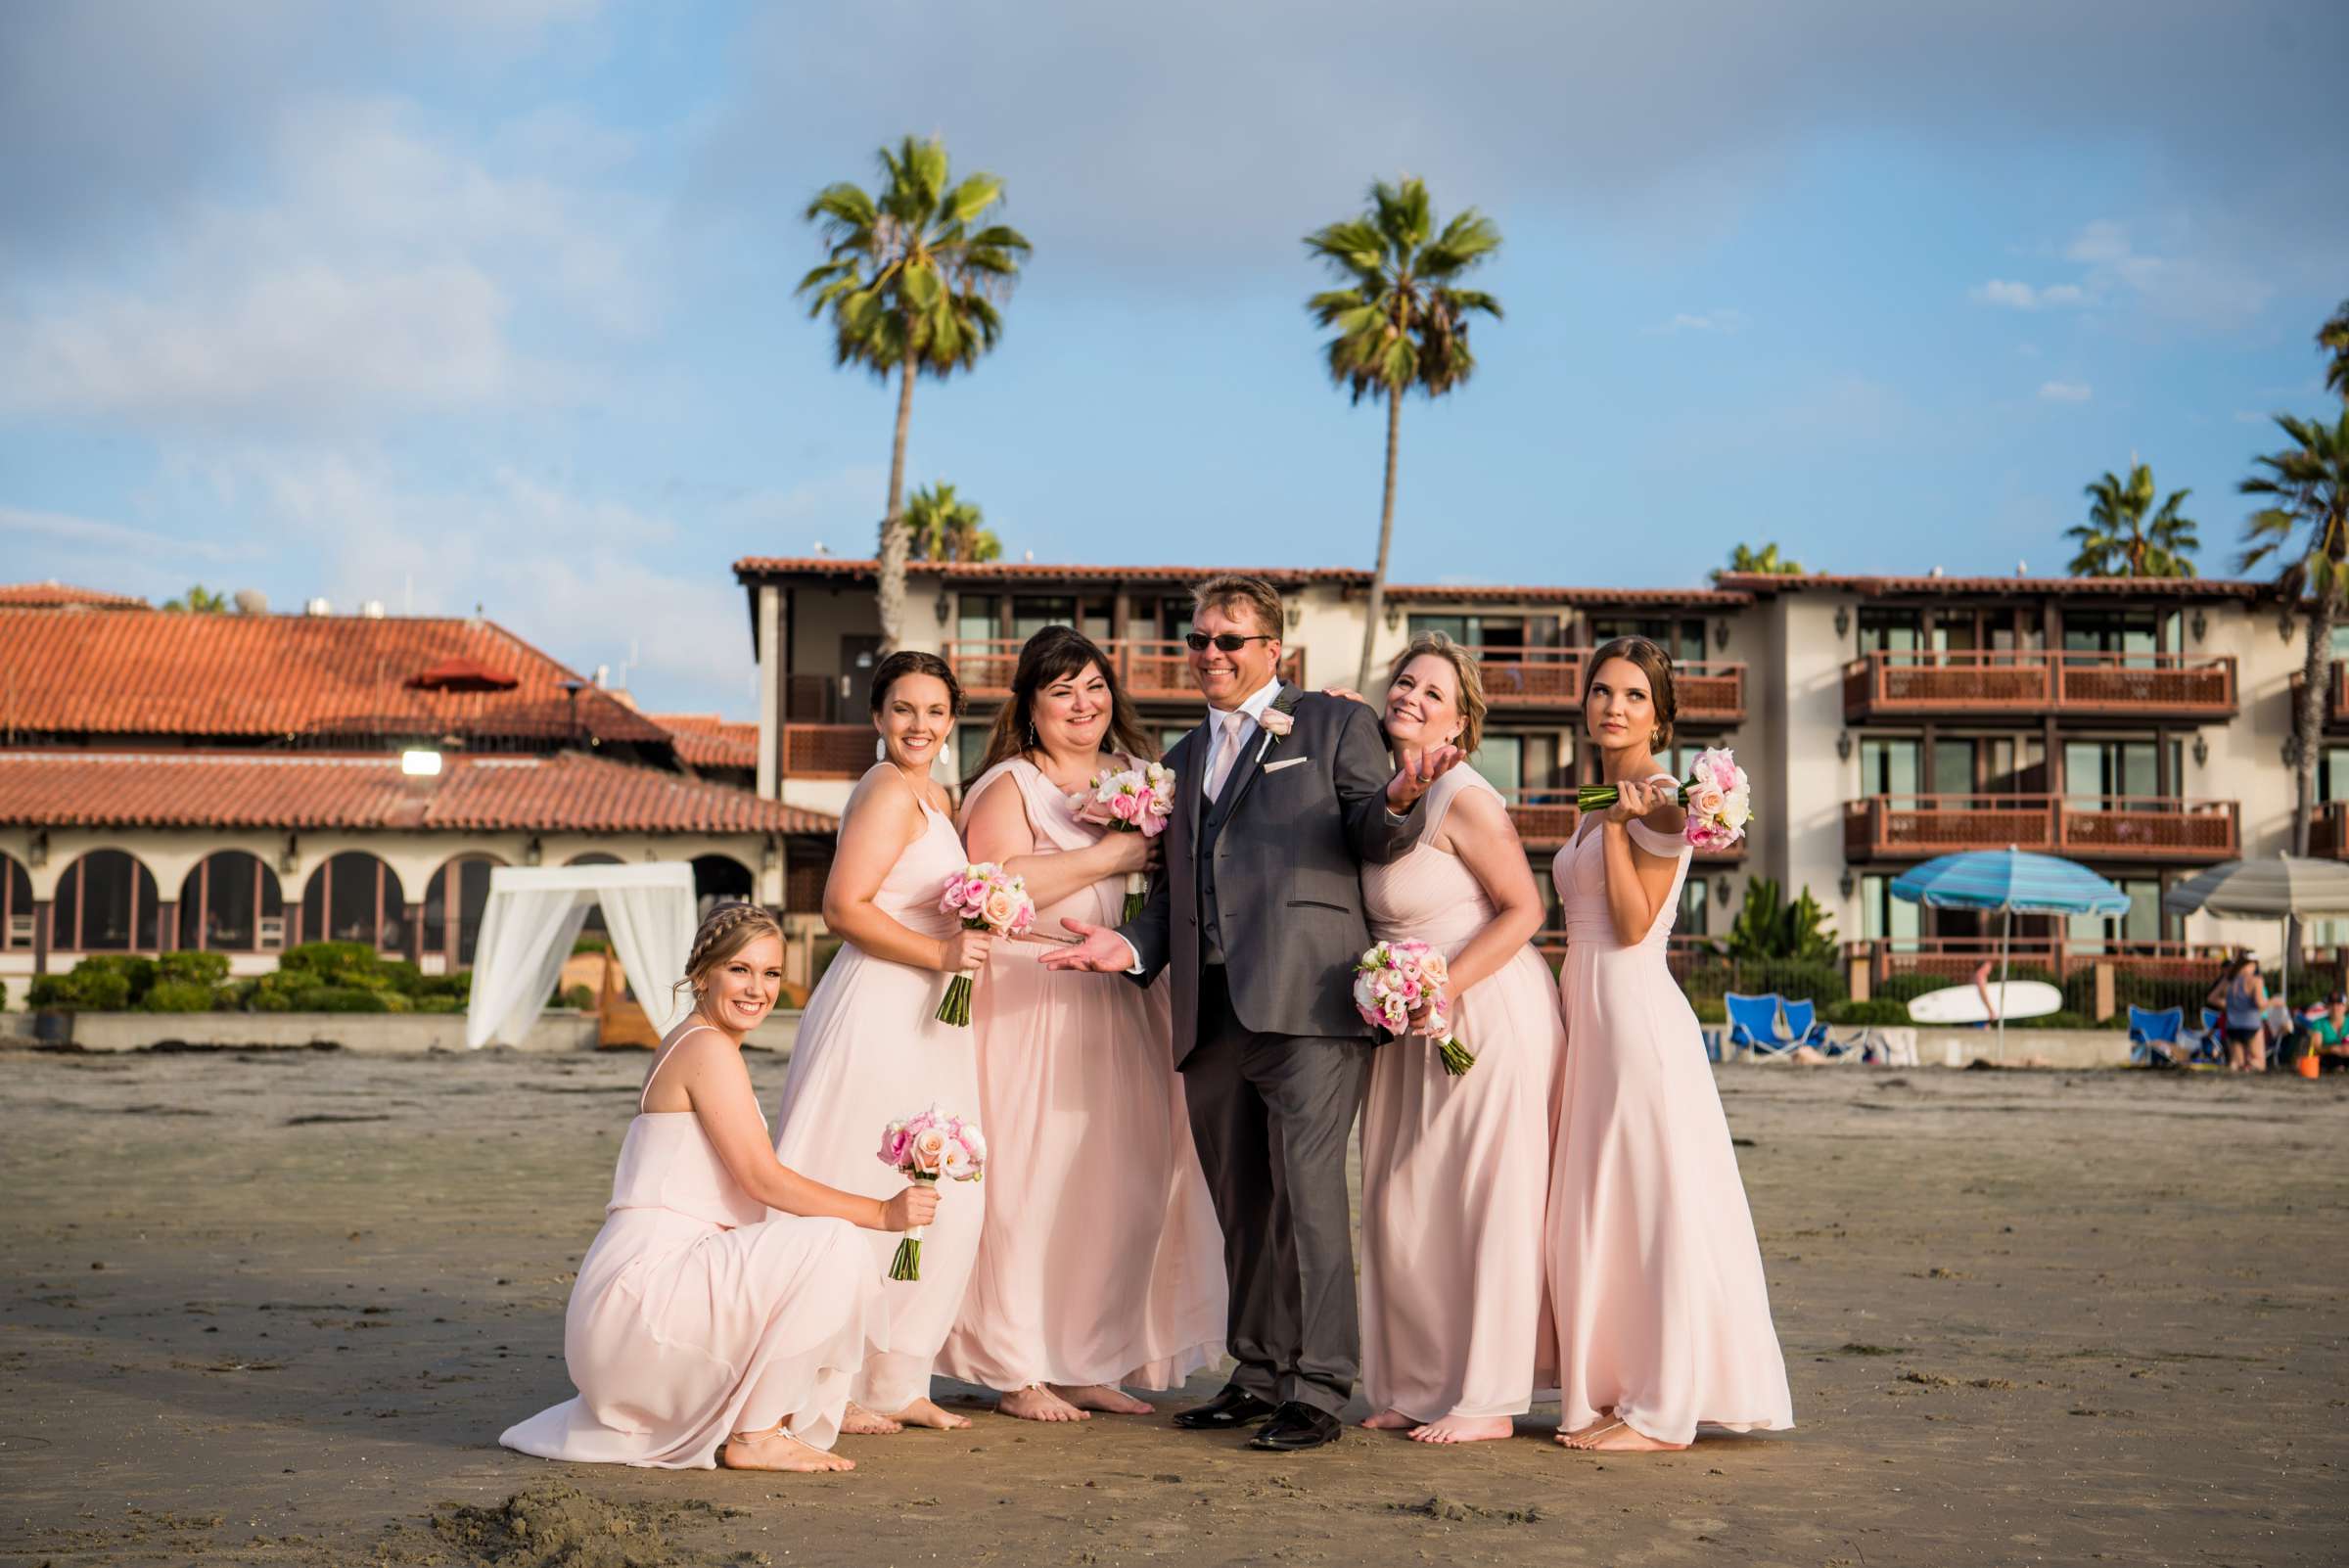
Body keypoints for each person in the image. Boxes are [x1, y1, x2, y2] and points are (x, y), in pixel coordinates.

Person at [1043, 575, 1462, 1453]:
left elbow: (1369, 833)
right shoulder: (1185, 756)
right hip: (1210, 1010)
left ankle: (1318, 1386)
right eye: (1199, 640)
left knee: (1308, 1199)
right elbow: (1173, 888)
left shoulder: (1333, 724)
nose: (1211, 654)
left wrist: (1398, 799)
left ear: (1275, 651)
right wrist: (1126, 947)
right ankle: (1259, 1371)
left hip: (1310, 1001)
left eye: (1230, 640)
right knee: (1242, 1205)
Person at [500, 904, 927, 1472]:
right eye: (740, 970)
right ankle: (755, 1435)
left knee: (809, 1249)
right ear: (703, 974)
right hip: (644, 1299)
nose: (758, 989)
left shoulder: (698, 1042)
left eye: (771, 974)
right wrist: (883, 1212)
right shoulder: (707, 1049)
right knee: (835, 1244)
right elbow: (762, 1179)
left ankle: (762, 1421)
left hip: (641, 1293)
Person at [940, 626, 1226, 1422]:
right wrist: (1113, 857)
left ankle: (1088, 1358)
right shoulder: (1010, 785)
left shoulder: (1142, 777)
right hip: (1034, 998)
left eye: (1094, 686)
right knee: (1031, 1183)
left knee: (1123, 1185)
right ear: (1030, 707)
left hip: (1130, 996)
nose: (1082, 704)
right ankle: (1017, 1365)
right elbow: (996, 884)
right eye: (1061, 691)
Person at [1545, 636, 1792, 1453]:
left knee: (1650, 1204)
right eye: (1602, 692)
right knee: (1606, 1206)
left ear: (1663, 715)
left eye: (1633, 697)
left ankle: (1660, 1410)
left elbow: (1632, 923)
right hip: (1589, 1014)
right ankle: (1617, 1386)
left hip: (1635, 1015)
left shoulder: (1657, 800)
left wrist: (1618, 830)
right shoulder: (1600, 796)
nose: (1612, 707)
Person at [1341, 635, 1562, 1444]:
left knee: (1483, 1199)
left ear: (1460, 722)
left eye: (1434, 693)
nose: (1412, 698)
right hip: (1404, 1028)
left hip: (1484, 1011)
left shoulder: (1465, 797)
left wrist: (1443, 989)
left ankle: (1489, 1398)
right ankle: (1419, 1383)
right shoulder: (1382, 795)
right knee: (1405, 1202)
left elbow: (1525, 911)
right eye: (1405, 683)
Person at [769, 652, 991, 1434]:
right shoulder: (887, 789)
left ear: (952, 719)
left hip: (933, 1016)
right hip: (881, 1005)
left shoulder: (938, 793)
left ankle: (898, 1378)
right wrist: (941, 953)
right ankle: (836, 1377)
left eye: (935, 711)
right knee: (858, 1171)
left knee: (940, 1183)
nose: (919, 726)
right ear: (876, 717)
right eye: (903, 710)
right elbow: (843, 906)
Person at [2208, 954, 2269, 1073]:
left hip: (2232, 1025)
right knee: (2259, 1062)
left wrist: (2230, 1005)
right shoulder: (2255, 980)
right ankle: (2248, 1063)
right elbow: (2260, 1004)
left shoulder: (2229, 980)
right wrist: (2275, 1002)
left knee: (2236, 1063)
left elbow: (2212, 998)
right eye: (2254, 965)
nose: (2255, 968)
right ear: (2248, 965)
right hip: (2251, 1025)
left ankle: (2233, 1082)